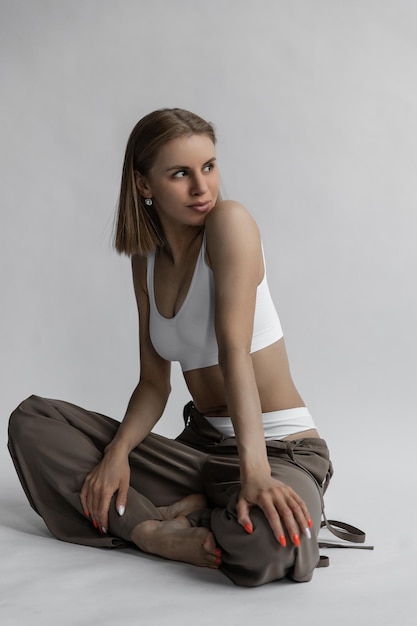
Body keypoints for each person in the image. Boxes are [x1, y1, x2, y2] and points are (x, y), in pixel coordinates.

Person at [8, 108, 334, 587]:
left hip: (279, 451)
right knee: (32, 422)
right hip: (198, 451)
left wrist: (256, 475)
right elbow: (153, 383)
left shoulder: (230, 224)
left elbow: (234, 355)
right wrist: (118, 452)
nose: (202, 187)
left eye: (209, 166)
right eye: (180, 173)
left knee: (270, 543)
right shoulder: (145, 258)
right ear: (144, 185)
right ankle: (152, 531)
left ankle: (192, 510)